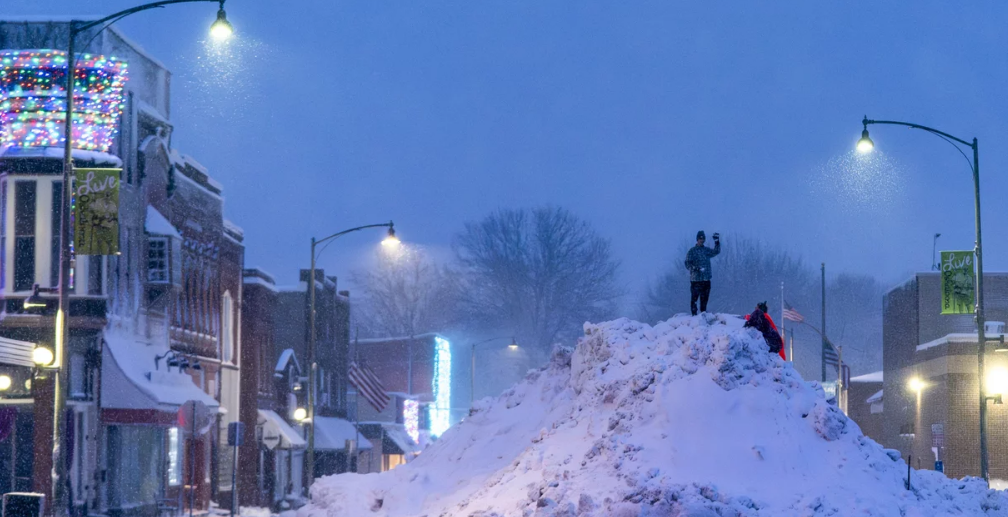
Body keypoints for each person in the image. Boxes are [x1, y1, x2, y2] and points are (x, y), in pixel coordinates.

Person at [684, 230, 720, 315]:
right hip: (696, 280)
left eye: (703, 238)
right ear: (697, 239)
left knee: (704, 300)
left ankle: (703, 315)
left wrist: (717, 242)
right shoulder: (692, 251)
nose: (702, 240)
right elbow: (687, 264)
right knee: (694, 299)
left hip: (706, 279)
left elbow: (716, 251)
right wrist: (695, 268)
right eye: (700, 238)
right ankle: (694, 317)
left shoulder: (706, 250)